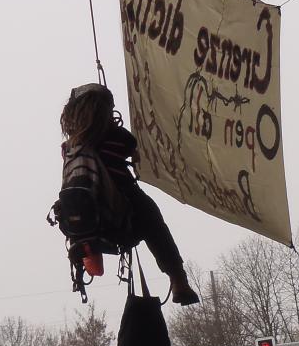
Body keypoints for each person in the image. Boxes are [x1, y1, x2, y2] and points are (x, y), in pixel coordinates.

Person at [60, 83, 200, 306]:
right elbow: (131, 145)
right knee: (152, 218)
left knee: (88, 210)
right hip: (124, 216)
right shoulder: (116, 138)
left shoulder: (69, 148)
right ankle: (177, 277)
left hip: (93, 223)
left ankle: (88, 251)